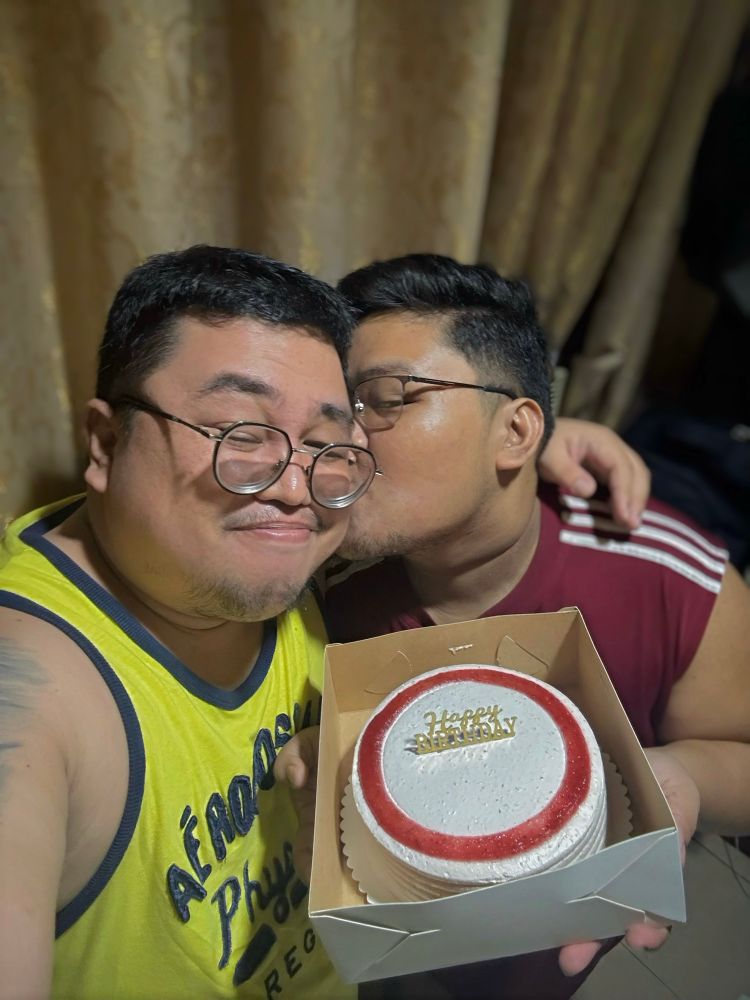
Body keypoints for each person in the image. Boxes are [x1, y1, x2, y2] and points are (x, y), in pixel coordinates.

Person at [0, 244, 646, 1000]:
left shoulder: (304, 550)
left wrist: (529, 441)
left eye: (324, 442)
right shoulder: (37, 688)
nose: (294, 487)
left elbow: (435, 493)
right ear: (108, 443)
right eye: (241, 432)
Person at [307, 253, 750, 998]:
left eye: (383, 399)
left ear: (517, 431)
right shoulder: (316, 587)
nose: (339, 440)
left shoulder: (671, 576)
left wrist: (683, 776)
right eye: (330, 411)